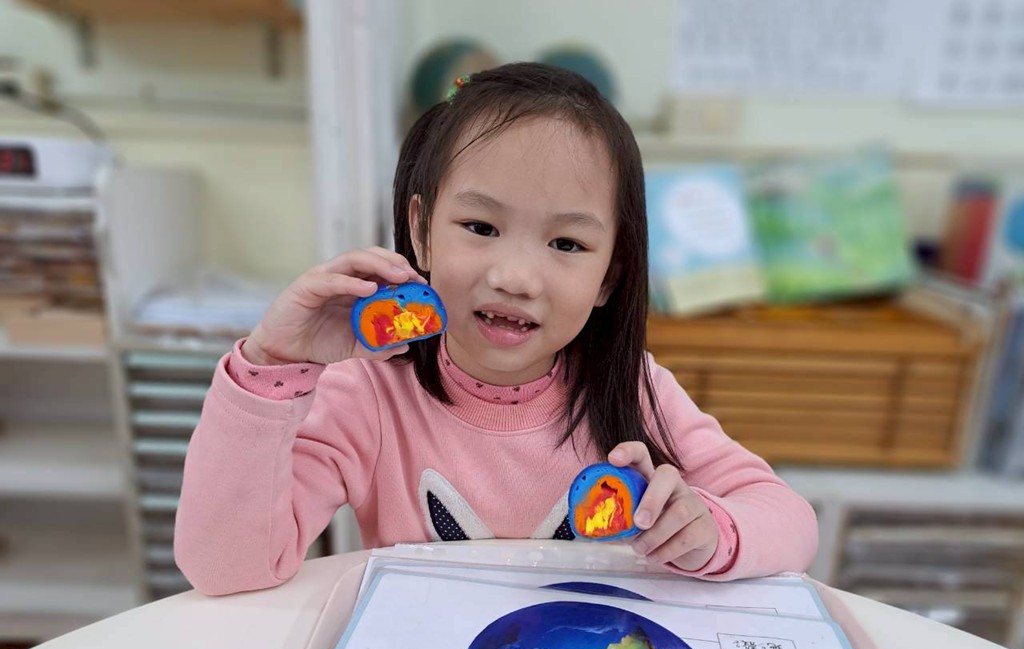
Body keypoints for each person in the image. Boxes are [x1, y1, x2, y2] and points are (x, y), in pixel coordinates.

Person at [174, 63, 817, 596]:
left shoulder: (634, 387)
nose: (516, 277)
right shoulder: (366, 393)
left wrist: (709, 533)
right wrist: (271, 364)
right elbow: (227, 568)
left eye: (567, 243)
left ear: (610, 277)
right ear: (421, 230)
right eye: (481, 228)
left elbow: (790, 522)